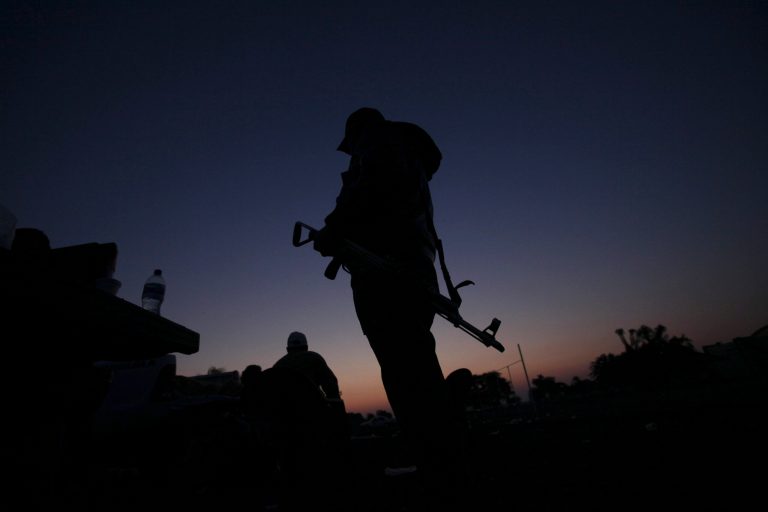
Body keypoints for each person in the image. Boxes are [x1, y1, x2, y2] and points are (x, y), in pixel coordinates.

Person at [313, 108, 464, 494]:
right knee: (413, 360)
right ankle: (442, 453)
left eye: (351, 146)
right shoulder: (406, 155)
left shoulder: (379, 144)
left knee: (403, 368)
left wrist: (334, 228)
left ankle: (435, 461)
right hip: (413, 269)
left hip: (386, 274)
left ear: (358, 133)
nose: (351, 153)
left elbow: (369, 190)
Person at [273, 331, 340, 400]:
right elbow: (331, 385)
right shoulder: (315, 358)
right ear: (306, 347)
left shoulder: (277, 365)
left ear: (287, 349)